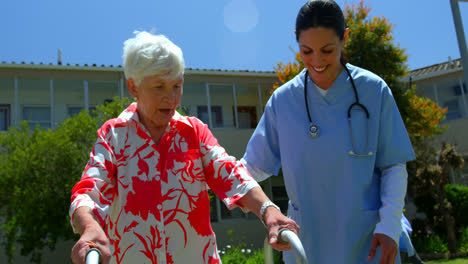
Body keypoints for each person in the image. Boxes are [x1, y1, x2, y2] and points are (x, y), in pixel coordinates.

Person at [69, 31, 298, 264]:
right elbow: (88, 190)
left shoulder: (194, 132)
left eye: (177, 86)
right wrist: (89, 226)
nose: (171, 97)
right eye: (159, 87)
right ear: (133, 87)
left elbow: (230, 172)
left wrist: (268, 210)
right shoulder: (114, 135)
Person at [241, 0, 415, 263]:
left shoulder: (373, 91)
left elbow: (393, 165)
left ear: (344, 38)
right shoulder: (283, 101)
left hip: (369, 243)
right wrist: (209, 175)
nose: (317, 61)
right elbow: (249, 170)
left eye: (327, 50)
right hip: (307, 245)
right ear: (296, 42)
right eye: (306, 51)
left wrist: (390, 226)